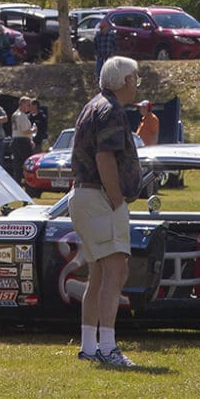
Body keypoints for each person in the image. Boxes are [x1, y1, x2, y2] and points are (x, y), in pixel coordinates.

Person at [69, 56, 142, 367]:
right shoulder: (111, 110)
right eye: (135, 77)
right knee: (115, 270)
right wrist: (116, 198)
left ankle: (89, 344)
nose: (137, 83)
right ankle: (108, 347)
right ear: (126, 80)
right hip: (99, 196)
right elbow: (106, 157)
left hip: (83, 195)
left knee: (98, 272)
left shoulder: (94, 105)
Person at [10, 97, 38, 171]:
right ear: (22, 104)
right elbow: (25, 131)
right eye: (28, 105)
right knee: (27, 163)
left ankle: (18, 180)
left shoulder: (15, 114)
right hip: (22, 142)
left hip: (15, 141)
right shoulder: (22, 116)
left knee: (17, 165)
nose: (29, 107)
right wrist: (33, 130)